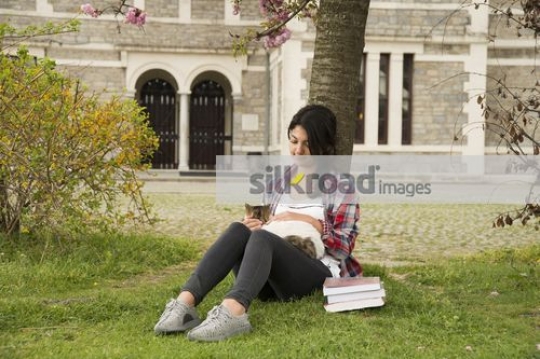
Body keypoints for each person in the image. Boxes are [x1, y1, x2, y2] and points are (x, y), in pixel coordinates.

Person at [153, 104, 362, 342]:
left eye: (307, 144)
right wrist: (253, 224)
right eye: (294, 141)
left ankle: (233, 313)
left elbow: (343, 249)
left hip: (313, 272)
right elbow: (269, 226)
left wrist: (313, 224)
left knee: (263, 238)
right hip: (268, 279)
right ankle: (184, 305)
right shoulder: (280, 181)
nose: (298, 150)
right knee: (239, 229)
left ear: (324, 146)